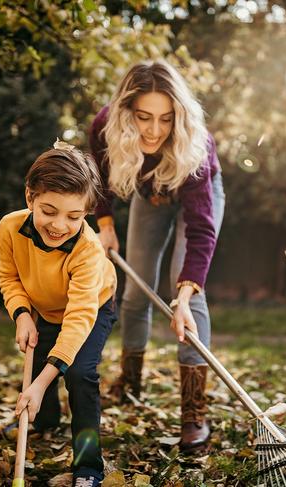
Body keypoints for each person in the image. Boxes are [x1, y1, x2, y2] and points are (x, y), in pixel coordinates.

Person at [89, 59, 225, 451]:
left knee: (189, 299)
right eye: (144, 117)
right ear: (127, 111)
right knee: (134, 291)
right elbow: (99, 180)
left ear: (178, 117)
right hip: (151, 195)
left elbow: (201, 230)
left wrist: (182, 297)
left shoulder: (196, 145)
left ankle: (193, 414)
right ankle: (130, 383)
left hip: (196, 193)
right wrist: (106, 226)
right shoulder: (104, 126)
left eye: (166, 119)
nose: (154, 130)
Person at [0, 142, 117, 487]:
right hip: (43, 306)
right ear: (30, 197)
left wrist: (43, 380)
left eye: (74, 217)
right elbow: (10, 276)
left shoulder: (88, 251)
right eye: (49, 211)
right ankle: (45, 421)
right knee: (38, 366)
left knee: (78, 373)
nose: (59, 225)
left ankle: (88, 466)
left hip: (92, 307)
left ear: (86, 213)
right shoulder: (8, 228)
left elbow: (78, 319)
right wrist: (21, 314)